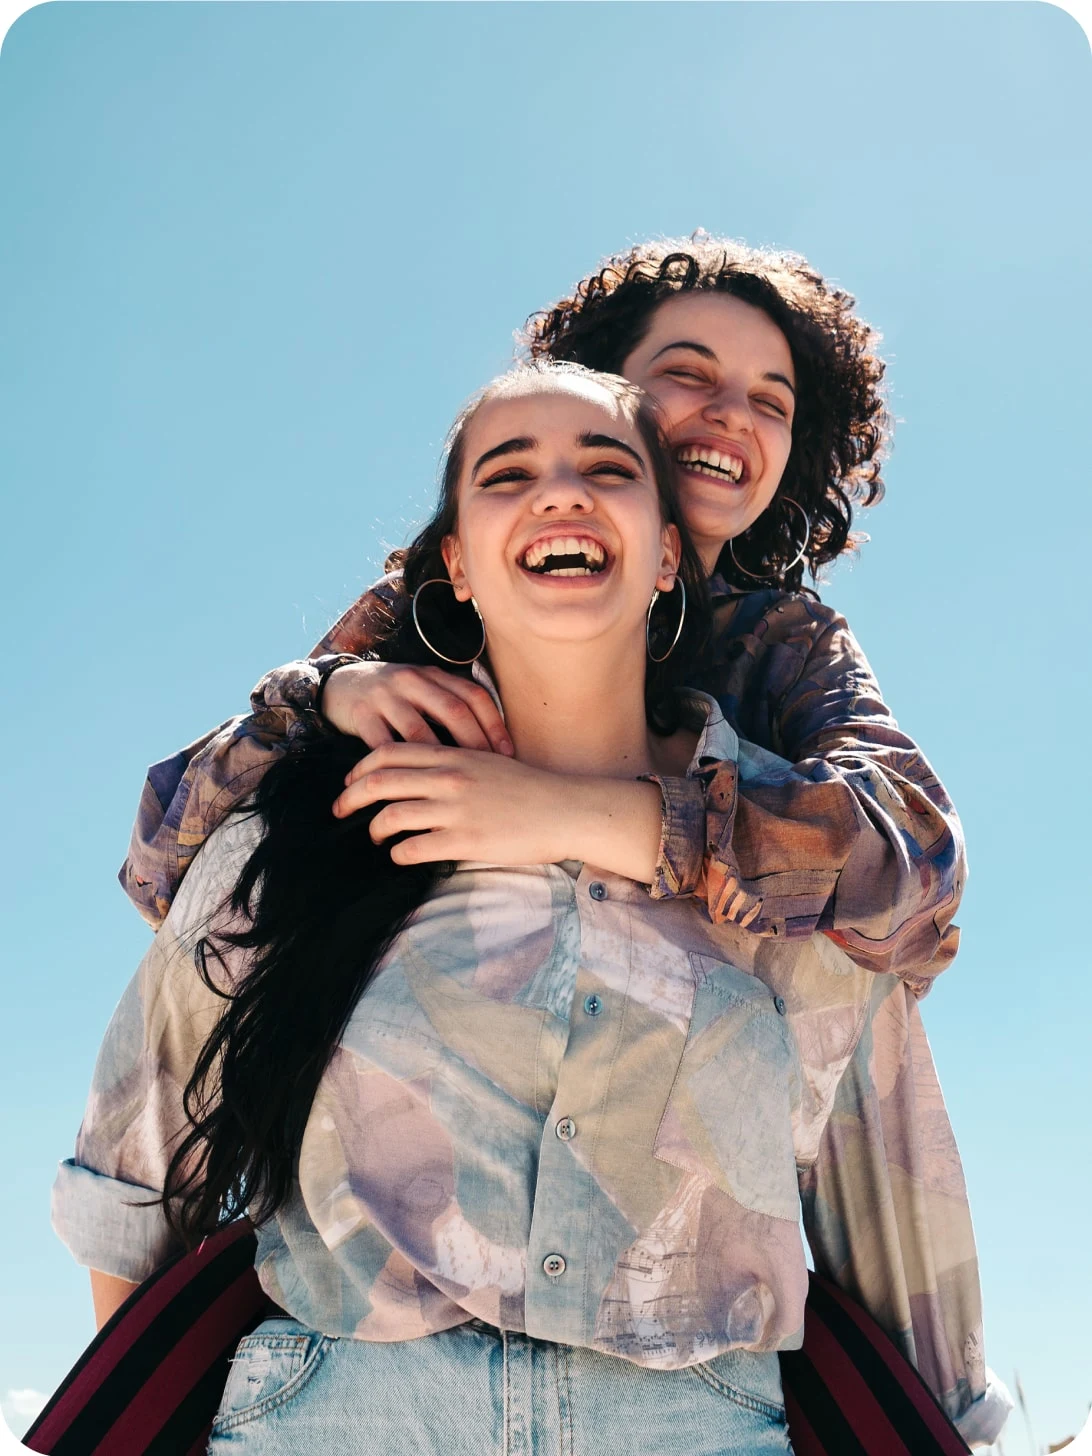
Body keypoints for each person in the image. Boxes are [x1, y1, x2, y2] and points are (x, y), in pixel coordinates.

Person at [53, 364, 1007, 1452]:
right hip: (334, 1416)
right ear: (456, 562)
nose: (560, 494)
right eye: (509, 475)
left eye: (607, 469)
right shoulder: (305, 833)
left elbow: (896, 1231)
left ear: (664, 555)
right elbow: (134, 1171)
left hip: (703, 1421)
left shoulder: (796, 863)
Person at [120, 236, 962, 1006]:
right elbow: (164, 866)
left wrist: (570, 813)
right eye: (691, 375)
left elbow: (920, 887)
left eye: (771, 402)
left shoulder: (788, 648)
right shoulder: (433, 607)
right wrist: (321, 700)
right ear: (600, 385)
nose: (734, 414)